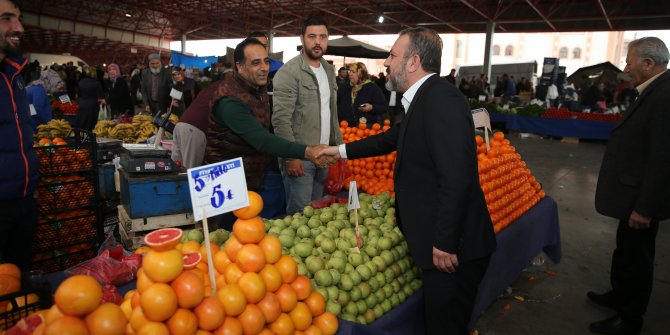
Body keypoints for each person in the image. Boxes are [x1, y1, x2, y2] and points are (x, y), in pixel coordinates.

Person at [318, 27, 496, 335]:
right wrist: (338, 151)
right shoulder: (422, 98)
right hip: (445, 246)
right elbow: (390, 139)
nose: (386, 62)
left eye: (392, 55)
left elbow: (457, 176)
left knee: (445, 326)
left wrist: (444, 241)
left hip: (455, 252)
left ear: (412, 63)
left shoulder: (441, 100)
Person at [203, 38, 332, 228]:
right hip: (225, 180)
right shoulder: (229, 101)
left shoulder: (256, 87)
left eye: (266, 61)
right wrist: (307, 151)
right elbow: (262, 140)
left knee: (247, 235)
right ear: (239, 67)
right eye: (256, 63)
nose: (264, 67)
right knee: (224, 237)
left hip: (248, 174)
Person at [588, 37, 670, 335]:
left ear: (648, 64)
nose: (626, 67)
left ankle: (629, 317)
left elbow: (662, 160)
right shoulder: (652, 91)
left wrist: (645, 208)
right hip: (631, 196)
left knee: (637, 259)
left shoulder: (664, 96)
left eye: (630, 62)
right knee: (625, 250)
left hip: (641, 201)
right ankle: (619, 295)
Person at [272, 17, 343, 214]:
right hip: (301, 158)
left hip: (325, 155)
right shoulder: (289, 72)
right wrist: (290, 157)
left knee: (317, 214)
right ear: (302, 39)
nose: (317, 42)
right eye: (312, 36)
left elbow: (332, 111)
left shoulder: (329, 70)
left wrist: (338, 148)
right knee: (300, 216)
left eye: (323, 37)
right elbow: (280, 119)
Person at [0, 0, 39, 271]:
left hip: (23, 200)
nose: (19, 27)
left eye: (19, 18)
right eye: (6, 19)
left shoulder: (15, 75)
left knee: (19, 284)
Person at [339, 62, 388, 126]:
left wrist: (371, 107)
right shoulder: (347, 87)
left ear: (361, 74)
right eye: (349, 71)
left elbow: (384, 107)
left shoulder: (372, 88)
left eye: (353, 72)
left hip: (366, 129)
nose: (350, 74)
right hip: (347, 129)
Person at [23, 61, 52, 132]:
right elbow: (38, 110)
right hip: (38, 128)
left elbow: (31, 108)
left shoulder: (27, 89)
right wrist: (47, 125)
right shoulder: (38, 89)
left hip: (29, 126)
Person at [77, 66, 104, 131]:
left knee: (83, 123)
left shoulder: (81, 82)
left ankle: (82, 138)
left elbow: (79, 94)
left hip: (82, 104)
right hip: (93, 105)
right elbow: (100, 96)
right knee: (92, 124)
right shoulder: (97, 83)